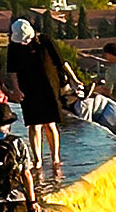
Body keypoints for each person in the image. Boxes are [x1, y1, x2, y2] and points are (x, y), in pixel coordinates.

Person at [6, 20, 70, 170]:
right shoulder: (14, 48)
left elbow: (60, 62)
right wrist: (16, 90)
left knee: (50, 123)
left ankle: (55, 157)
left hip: (49, 86)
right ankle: (38, 159)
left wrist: (73, 79)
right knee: (34, 125)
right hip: (27, 88)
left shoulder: (45, 41)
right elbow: (12, 72)